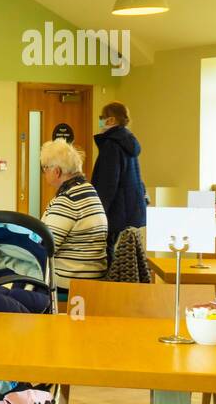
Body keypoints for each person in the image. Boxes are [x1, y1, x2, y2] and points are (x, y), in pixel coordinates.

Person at [40, 139, 108, 295]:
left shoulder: (67, 200)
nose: (44, 174)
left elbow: (44, 248)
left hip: (70, 285)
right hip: (93, 279)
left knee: (18, 285)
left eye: (45, 168)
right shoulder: (89, 191)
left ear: (56, 171)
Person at [90, 101, 146, 253]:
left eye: (102, 117)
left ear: (111, 120)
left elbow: (107, 184)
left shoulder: (112, 145)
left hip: (114, 212)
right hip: (128, 210)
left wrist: (97, 213)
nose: (100, 121)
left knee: (107, 253)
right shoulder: (128, 142)